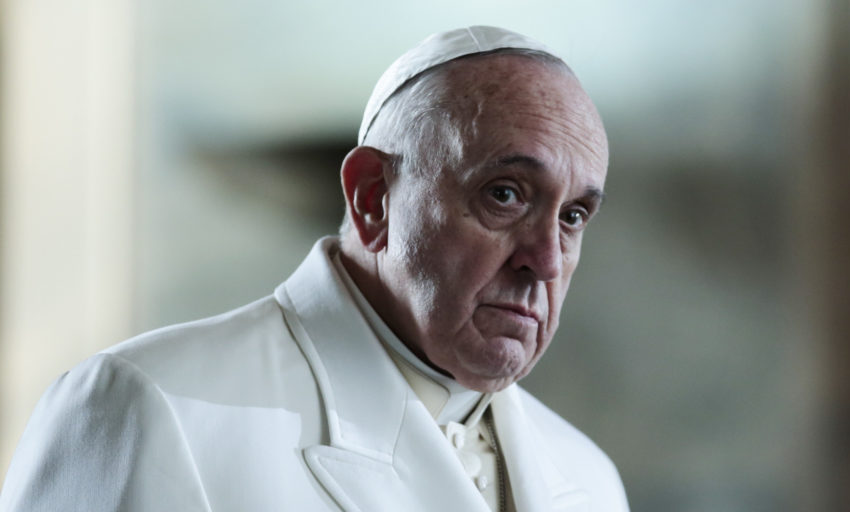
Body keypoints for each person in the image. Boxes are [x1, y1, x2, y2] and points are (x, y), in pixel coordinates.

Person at [0, 26, 628, 512]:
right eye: (505, 194)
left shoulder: (588, 477)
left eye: (573, 217)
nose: (544, 260)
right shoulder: (149, 407)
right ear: (373, 198)